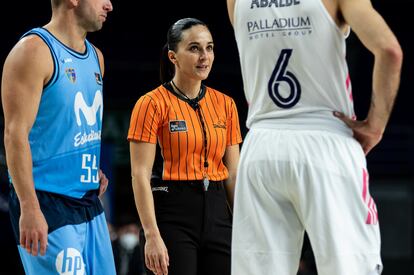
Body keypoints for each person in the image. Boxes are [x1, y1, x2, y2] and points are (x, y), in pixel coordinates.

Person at [226, 0, 403, 275]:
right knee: (352, 267)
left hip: (261, 145)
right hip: (325, 140)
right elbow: (390, 51)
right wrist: (375, 126)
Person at [1, 0, 115, 274]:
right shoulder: (33, 51)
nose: (109, 5)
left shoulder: (96, 57)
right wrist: (29, 207)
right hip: (46, 202)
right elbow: (15, 135)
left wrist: (87, 168)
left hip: (88, 202)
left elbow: (67, 128)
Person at [127, 18, 242, 275]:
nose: (205, 56)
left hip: (218, 210)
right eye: (194, 48)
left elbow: (233, 175)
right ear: (173, 56)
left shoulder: (226, 105)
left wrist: (243, 227)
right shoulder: (151, 103)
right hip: (171, 212)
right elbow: (140, 175)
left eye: (209, 48)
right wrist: (151, 234)